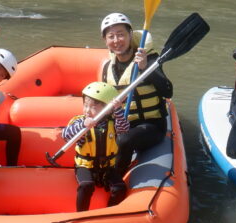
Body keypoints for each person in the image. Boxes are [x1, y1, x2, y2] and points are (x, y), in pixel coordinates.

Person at [99, 12, 173, 180]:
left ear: (130, 35)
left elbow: (168, 91)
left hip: (151, 124)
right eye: (111, 36)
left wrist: (146, 68)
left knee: (124, 140)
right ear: (105, 40)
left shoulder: (150, 59)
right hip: (125, 123)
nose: (116, 41)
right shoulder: (107, 67)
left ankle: (115, 182)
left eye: (121, 34)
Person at [61, 81, 130, 211]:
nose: (87, 110)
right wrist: (83, 126)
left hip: (107, 167)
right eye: (85, 105)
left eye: (93, 107)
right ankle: (81, 214)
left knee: (120, 188)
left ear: (106, 109)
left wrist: (118, 109)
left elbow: (124, 128)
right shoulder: (80, 122)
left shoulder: (112, 122)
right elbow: (65, 135)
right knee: (86, 185)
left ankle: (109, 212)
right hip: (85, 166)